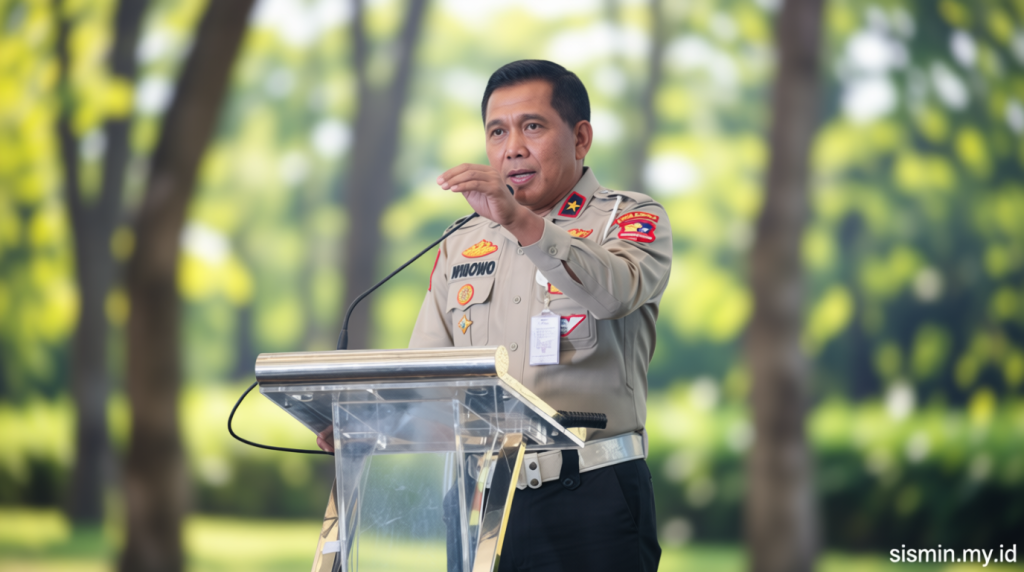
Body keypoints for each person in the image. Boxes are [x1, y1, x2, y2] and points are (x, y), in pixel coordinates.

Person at [410, 59, 672, 572]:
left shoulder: (629, 217)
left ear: (581, 139)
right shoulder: (461, 241)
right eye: (497, 131)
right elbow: (428, 374)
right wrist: (370, 421)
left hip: (592, 497)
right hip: (482, 499)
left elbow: (615, 294)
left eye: (532, 126)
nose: (512, 148)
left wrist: (520, 221)